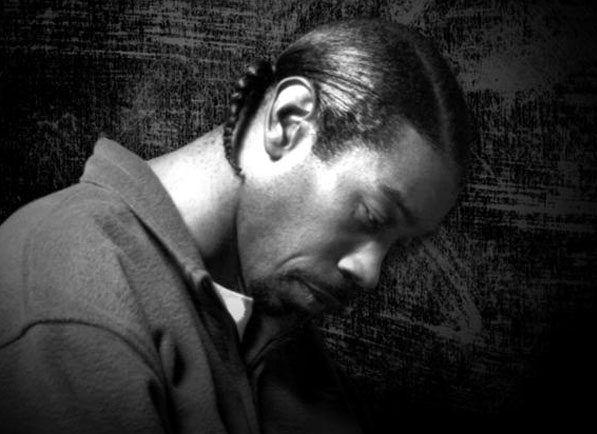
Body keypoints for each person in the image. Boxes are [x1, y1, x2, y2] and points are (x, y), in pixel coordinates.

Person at [0, 19, 470, 434]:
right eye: (373, 216)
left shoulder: (276, 318)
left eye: (399, 246)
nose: (370, 272)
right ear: (289, 122)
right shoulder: (68, 292)